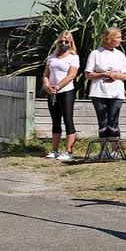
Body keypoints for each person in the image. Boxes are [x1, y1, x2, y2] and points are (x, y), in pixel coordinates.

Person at [84, 27, 126, 153]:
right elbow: (88, 74)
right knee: (103, 122)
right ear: (110, 38)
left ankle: (116, 150)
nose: (121, 40)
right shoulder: (95, 53)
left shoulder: (120, 55)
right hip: (99, 92)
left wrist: (115, 76)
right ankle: (103, 151)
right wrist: (103, 74)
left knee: (113, 121)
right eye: (118, 37)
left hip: (116, 93)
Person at [42, 31, 80, 161]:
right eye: (61, 41)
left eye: (66, 42)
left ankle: (69, 151)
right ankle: (54, 150)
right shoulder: (52, 57)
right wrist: (47, 86)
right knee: (55, 121)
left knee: (68, 120)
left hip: (66, 91)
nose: (63, 43)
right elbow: (46, 74)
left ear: (70, 43)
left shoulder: (73, 57)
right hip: (52, 92)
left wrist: (58, 86)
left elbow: (71, 75)